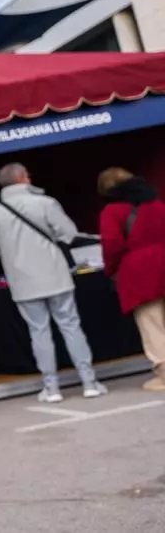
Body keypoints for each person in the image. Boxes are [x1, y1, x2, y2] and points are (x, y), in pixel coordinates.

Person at [0, 163, 107, 402]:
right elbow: (68, 234)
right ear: (22, 178)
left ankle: (51, 388)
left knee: (38, 332)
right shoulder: (46, 203)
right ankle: (89, 382)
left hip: (22, 281)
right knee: (71, 326)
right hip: (55, 274)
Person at [98, 168, 165, 391]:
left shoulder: (112, 211)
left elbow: (112, 245)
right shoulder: (156, 203)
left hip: (139, 271)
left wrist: (111, 270)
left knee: (152, 323)